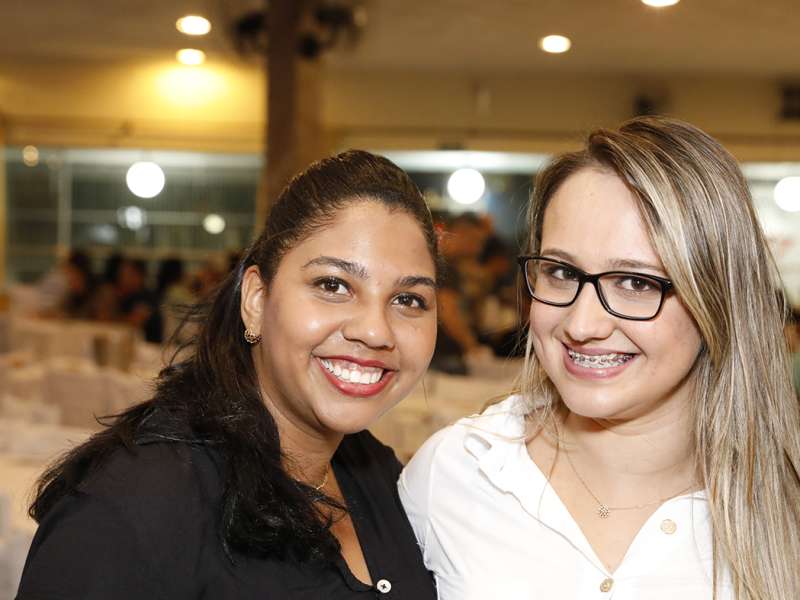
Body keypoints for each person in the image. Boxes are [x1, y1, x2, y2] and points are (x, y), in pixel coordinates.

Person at [399, 117, 800, 599]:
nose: (582, 325)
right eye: (562, 272)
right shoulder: (455, 474)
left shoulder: (785, 510)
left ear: (718, 298)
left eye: (636, 282)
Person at [16, 150, 440, 599]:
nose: (375, 331)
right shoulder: (135, 507)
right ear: (256, 300)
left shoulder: (378, 475)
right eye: (333, 285)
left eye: (409, 299)